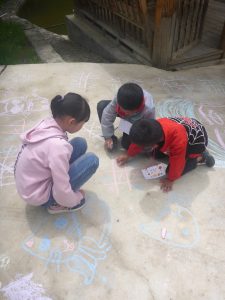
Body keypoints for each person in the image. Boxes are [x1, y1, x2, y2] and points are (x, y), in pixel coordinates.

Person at [14, 93, 99, 214]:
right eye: (82, 123)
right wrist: (76, 198)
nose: (82, 126)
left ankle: (58, 189)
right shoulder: (58, 147)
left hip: (29, 186)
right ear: (71, 121)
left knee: (80, 143)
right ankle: (55, 204)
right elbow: (62, 190)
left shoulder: (47, 123)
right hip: (39, 196)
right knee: (92, 160)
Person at [129, 117, 215, 192]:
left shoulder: (178, 141)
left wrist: (171, 179)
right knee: (155, 154)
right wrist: (128, 154)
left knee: (169, 171)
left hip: (195, 143)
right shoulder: (152, 128)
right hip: (182, 131)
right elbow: (140, 141)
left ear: (156, 142)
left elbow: (177, 163)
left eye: (147, 147)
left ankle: (201, 157)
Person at [97, 82, 155, 165]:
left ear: (137, 108)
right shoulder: (119, 97)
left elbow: (148, 132)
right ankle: (112, 139)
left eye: (129, 112)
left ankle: (128, 136)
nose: (126, 113)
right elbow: (108, 114)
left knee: (126, 145)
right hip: (126, 112)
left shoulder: (148, 109)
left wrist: (130, 154)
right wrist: (108, 136)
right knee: (102, 106)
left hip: (136, 122)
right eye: (124, 111)